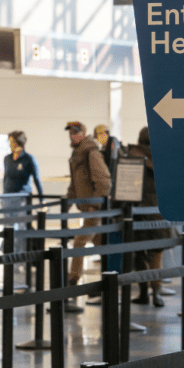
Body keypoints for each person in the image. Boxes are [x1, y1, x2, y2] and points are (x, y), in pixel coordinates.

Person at [127, 127, 175, 307]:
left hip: (137, 213)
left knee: (139, 256)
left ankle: (142, 293)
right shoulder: (164, 158)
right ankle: (157, 292)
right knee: (156, 257)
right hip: (158, 215)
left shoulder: (132, 156)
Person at [65, 121, 112, 295]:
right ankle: (109, 282)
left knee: (80, 241)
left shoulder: (91, 152)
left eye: (76, 132)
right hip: (87, 208)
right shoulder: (77, 153)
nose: (72, 135)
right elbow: (74, 184)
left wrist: (95, 204)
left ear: (83, 133)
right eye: (70, 133)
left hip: (94, 208)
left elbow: (104, 180)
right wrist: (67, 204)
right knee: (99, 243)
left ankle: (72, 280)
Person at [3, 130, 43, 195]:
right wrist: (3, 196)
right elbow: (5, 179)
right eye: (9, 142)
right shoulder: (7, 159)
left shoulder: (29, 159)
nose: (10, 145)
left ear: (19, 143)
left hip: (23, 198)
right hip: (8, 198)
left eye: (12, 142)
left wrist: (42, 200)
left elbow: (37, 180)